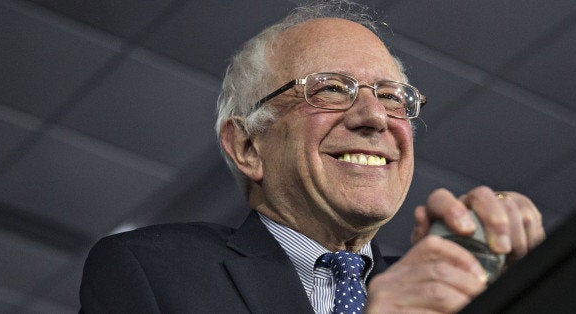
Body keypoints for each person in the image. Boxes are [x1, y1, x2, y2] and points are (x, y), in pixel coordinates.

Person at [79, 1, 545, 313]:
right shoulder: (153, 271)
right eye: (330, 90)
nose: (374, 117)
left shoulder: (447, 293)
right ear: (246, 146)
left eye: (390, 95)